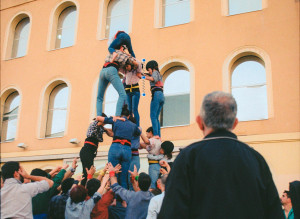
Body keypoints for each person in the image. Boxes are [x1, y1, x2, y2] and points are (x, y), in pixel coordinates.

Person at [158, 91, 284, 219]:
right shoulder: (256, 159)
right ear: (235, 123)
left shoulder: (187, 158)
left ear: (200, 122)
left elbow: (171, 212)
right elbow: (274, 212)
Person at [97, 105, 141, 189]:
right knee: (123, 178)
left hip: (115, 147)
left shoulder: (116, 120)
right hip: (127, 149)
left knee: (113, 175)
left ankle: (114, 200)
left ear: (120, 115)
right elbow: (138, 132)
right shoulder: (133, 125)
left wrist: (114, 117)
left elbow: (99, 118)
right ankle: (123, 200)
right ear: (128, 116)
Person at [96, 45, 138, 117]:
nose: (125, 51)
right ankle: (117, 116)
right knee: (122, 94)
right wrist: (129, 56)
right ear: (121, 47)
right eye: (124, 49)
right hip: (111, 70)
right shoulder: (121, 53)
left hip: (102, 71)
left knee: (99, 97)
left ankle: (98, 116)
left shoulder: (111, 52)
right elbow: (135, 63)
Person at [80, 115, 113, 186]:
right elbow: (100, 123)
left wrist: (108, 129)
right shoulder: (94, 124)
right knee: (87, 172)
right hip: (87, 150)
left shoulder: (101, 127)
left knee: (89, 171)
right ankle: (84, 187)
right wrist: (111, 120)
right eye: (104, 121)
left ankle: (85, 187)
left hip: (91, 152)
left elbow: (111, 133)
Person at [144, 60, 164, 138]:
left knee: (152, 116)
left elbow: (153, 79)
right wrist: (144, 74)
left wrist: (143, 77)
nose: (149, 71)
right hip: (161, 95)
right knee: (156, 117)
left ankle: (156, 135)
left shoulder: (155, 73)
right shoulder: (158, 73)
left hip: (156, 94)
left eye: (149, 70)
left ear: (152, 68)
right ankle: (158, 135)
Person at [121, 60, 143, 127]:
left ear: (131, 64)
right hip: (128, 91)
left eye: (127, 66)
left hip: (135, 90)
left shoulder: (136, 70)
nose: (126, 68)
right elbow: (120, 67)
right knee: (129, 109)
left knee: (134, 109)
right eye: (126, 67)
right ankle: (130, 124)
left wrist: (130, 58)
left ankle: (137, 125)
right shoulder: (126, 71)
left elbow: (139, 63)